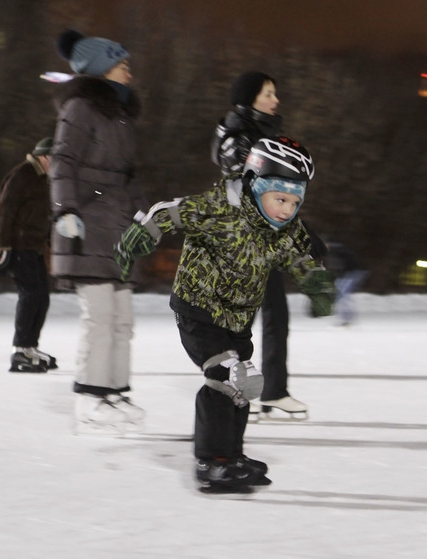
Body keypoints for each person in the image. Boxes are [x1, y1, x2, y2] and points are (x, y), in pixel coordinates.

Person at [115, 136, 335, 493]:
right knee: (224, 376)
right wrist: (140, 234)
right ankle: (212, 462)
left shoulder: (280, 229)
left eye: (295, 202)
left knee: (243, 384)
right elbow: (170, 212)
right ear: (253, 183)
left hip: (237, 319)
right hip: (198, 310)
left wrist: (316, 283)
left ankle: (232, 455)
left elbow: (297, 257)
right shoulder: (218, 208)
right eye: (280, 198)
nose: (286, 210)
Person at [49, 29, 150, 435]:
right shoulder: (79, 108)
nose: (130, 71)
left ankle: (115, 393)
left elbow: (128, 178)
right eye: (123, 65)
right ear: (103, 68)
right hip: (88, 223)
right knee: (100, 316)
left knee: (123, 319)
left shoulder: (121, 116)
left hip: (120, 227)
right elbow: (62, 162)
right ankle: (90, 398)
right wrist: (65, 210)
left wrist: (145, 217)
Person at [211, 71, 326, 419]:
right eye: (268, 94)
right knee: (239, 323)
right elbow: (251, 195)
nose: (276, 100)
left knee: (277, 315)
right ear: (249, 100)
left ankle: (274, 391)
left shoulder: (267, 138)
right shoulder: (236, 140)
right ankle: (231, 390)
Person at [0, 137, 57, 373]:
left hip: (34, 247)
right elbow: (4, 211)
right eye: (55, 159)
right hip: (19, 247)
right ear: (44, 156)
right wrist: (5, 248)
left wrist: (50, 241)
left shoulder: (43, 179)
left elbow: (43, 216)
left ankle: (30, 346)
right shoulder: (24, 174)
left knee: (42, 297)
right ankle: (19, 350)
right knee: (30, 295)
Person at [325, 239, 369, 325]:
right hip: (350, 273)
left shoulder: (336, 250)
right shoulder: (336, 250)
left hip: (352, 273)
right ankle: (346, 317)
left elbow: (344, 264)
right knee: (340, 294)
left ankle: (347, 318)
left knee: (342, 294)